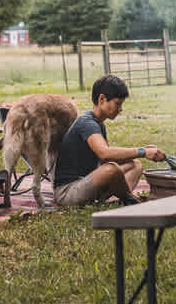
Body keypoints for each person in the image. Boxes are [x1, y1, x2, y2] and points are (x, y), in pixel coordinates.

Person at [53, 74, 166, 206]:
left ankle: (119, 199)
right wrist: (142, 152)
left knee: (135, 165)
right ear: (102, 99)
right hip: (67, 193)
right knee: (111, 169)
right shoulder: (87, 122)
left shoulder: (99, 123)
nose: (120, 109)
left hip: (86, 184)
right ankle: (128, 199)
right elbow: (104, 153)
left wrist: (144, 150)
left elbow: (105, 159)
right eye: (117, 103)